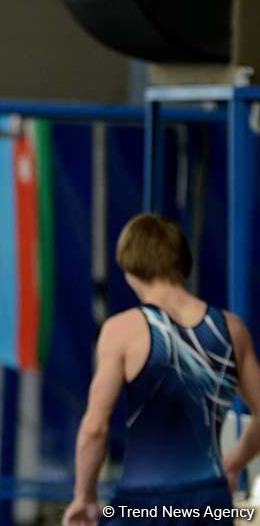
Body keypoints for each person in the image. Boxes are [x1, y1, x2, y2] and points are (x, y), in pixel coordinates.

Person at [63, 214, 260, 526]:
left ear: (130, 269)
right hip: (209, 504)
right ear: (183, 263)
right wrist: (233, 465)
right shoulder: (232, 330)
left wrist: (84, 496)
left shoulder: (123, 331)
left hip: (143, 505)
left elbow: (95, 428)